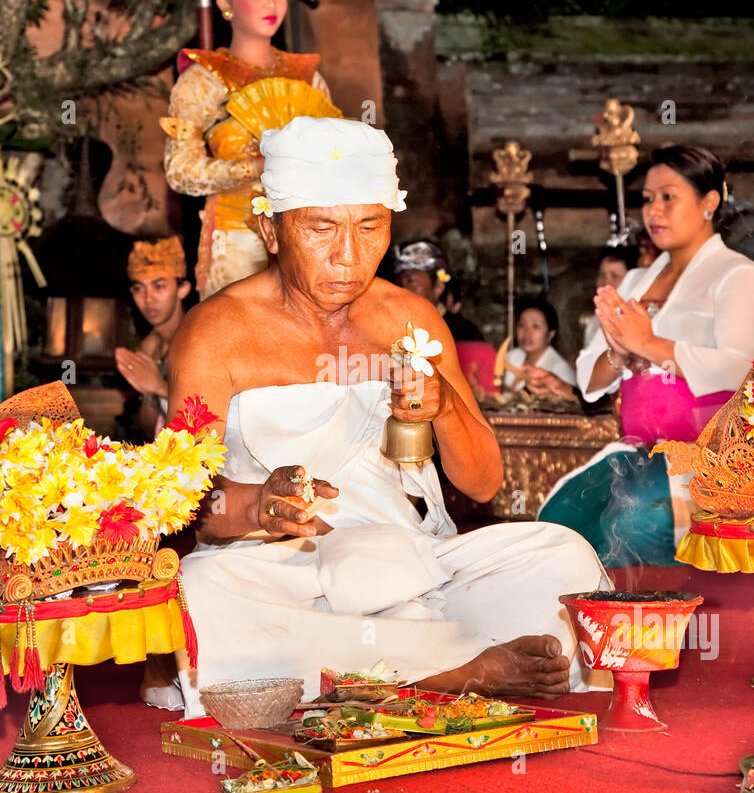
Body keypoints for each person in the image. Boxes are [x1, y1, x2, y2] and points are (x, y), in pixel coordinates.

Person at [145, 117, 609, 717]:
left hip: (414, 564)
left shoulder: (410, 318)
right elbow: (184, 503)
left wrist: (442, 404)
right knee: (203, 591)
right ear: (271, 228)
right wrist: (258, 503)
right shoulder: (215, 334)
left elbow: (485, 483)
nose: (349, 255)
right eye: (322, 229)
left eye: (370, 227)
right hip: (284, 569)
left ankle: (381, 670)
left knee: (561, 554)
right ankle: (453, 672)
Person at [527, 145, 754, 566]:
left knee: (634, 523)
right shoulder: (638, 280)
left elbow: (742, 368)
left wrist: (649, 345)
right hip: (637, 455)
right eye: (647, 199)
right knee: (557, 524)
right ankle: (585, 626)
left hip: (707, 460)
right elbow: (589, 378)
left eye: (668, 196)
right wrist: (620, 351)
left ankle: (653, 626)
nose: (653, 210)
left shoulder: (737, 274)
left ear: (709, 202)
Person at [163, 0, 331, 298]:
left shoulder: (309, 79)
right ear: (225, 3)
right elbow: (180, 171)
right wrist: (255, 166)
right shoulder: (203, 81)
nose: (271, 1)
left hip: (305, 239)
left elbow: (336, 157)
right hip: (236, 241)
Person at [114, 237, 192, 440]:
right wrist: (149, 392)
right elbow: (147, 431)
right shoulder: (149, 346)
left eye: (158, 286)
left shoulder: (197, 337)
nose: (148, 299)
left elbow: (211, 414)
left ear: (182, 289)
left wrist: (158, 385)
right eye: (139, 289)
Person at [393, 239, 484, 343]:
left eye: (410, 280)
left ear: (438, 287)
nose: (401, 289)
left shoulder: (463, 335)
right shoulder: (392, 330)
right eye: (398, 282)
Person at [503, 297, 575, 394]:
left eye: (535, 326)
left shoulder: (560, 372)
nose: (527, 333)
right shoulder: (510, 357)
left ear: (551, 334)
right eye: (521, 325)